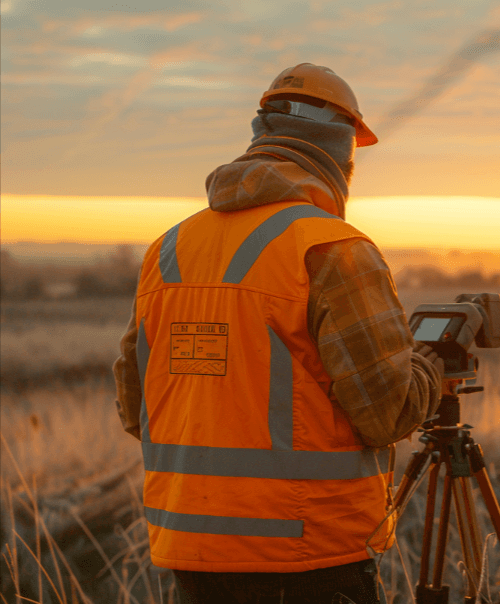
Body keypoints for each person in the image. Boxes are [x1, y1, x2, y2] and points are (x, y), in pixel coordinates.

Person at [112, 63, 445, 604]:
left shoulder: (168, 250)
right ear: (341, 151)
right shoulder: (331, 249)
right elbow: (388, 413)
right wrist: (431, 366)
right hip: (308, 555)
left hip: (188, 550)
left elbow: (135, 409)